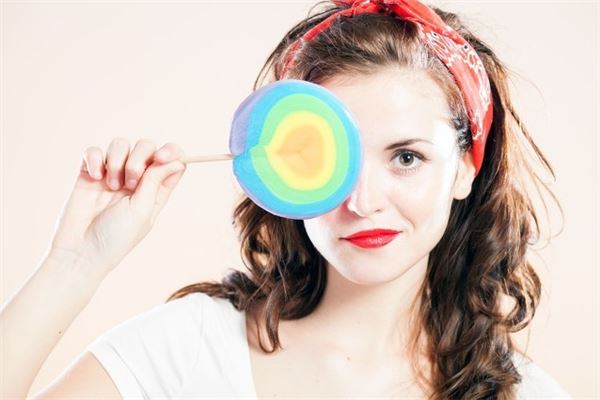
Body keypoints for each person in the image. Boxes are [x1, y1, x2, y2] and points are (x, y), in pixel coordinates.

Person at [1, 0, 572, 399]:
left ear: (465, 169)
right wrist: (73, 265)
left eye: (406, 157)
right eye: (329, 158)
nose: (364, 201)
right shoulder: (191, 348)